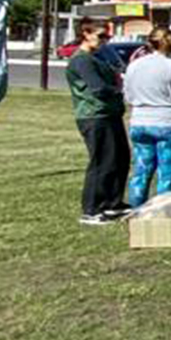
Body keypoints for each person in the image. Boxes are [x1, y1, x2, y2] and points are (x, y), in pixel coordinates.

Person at [122, 26, 171, 208]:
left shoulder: (134, 65)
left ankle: (135, 208)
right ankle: (161, 209)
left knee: (141, 169)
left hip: (139, 121)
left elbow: (128, 96)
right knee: (167, 170)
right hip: (169, 122)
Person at [66, 21, 130, 225]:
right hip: (94, 116)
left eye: (107, 37)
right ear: (85, 33)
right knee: (102, 161)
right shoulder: (82, 60)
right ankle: (92, 209)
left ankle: (113, 203)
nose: (105, 41)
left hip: (110, 114)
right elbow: (98, 88)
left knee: (120, 158)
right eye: (101, 36)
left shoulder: (96, 58)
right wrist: (120, 88)